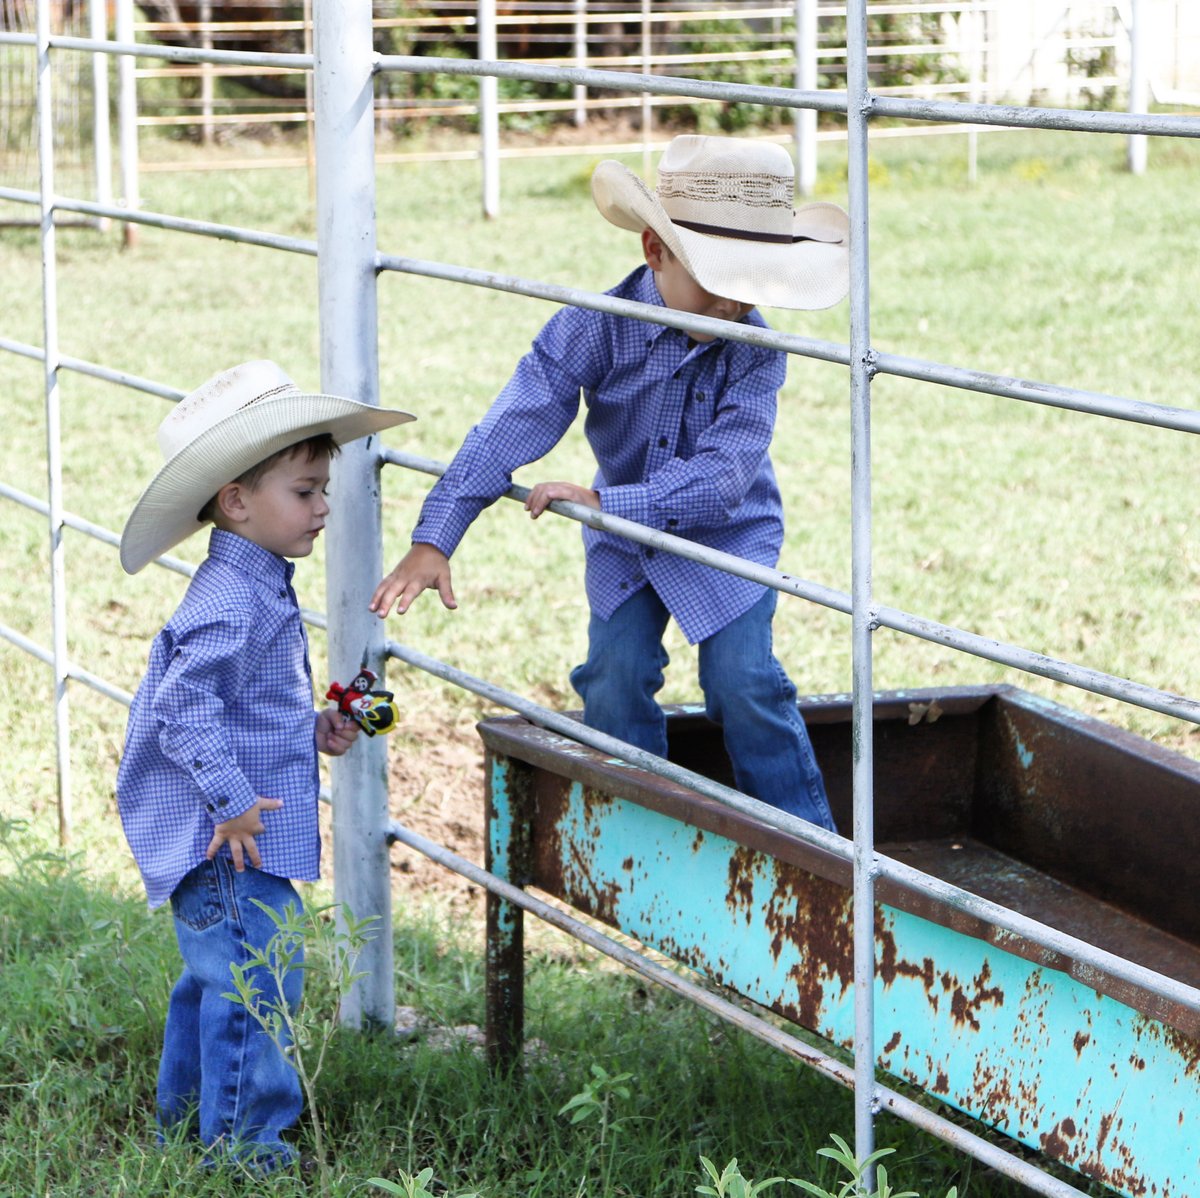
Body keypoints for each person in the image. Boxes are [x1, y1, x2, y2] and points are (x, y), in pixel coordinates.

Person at [370, 135, 849, 832]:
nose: (733, 306)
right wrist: (435, 536)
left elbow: (723, 479)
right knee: (614, 677)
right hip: (623, 541)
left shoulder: (756, 351)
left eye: (751, 287)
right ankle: (642, 833)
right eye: (718, 280)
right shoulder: (594, 328)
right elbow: (512, 424)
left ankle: (814, 850)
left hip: (726, 536)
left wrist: (605, 503)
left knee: (742, 681)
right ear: (655, 250)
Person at [115, 359, 413, 1171]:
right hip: (232, 842)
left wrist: (310, 727)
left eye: (323, 489)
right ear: (238, 501)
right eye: (306, 491)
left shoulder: (254, 582)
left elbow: (235, 705)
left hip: (230, 832)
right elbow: (183, 707)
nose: (323, 509)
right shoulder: (233, 596)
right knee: (258, 983)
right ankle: (249, 1153)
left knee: (214, 981)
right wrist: (233, 801)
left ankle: (184, 1125)